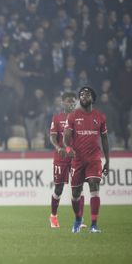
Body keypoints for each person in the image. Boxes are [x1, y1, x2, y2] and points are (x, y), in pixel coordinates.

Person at [62, 86, 109, 233]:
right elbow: (65, 139)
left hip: (94, 159)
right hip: (78, 160)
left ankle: (94, 225)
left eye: (87, 94)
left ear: (92, 98)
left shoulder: (100, 117)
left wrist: (108, 160)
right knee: (76, 194)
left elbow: (105, 139)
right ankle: (77, 219)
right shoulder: (73, 116)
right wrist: (68, 148)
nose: (83, 96)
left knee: (94, 188)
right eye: (81, 94)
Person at [48, 91, 85, 228]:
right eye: (69, 101)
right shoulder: (57, 118)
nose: (72, 103)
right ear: (63, 102)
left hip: (76, 158)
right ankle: (53, 216)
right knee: (59, 189)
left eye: (74, 101)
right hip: (61, 158)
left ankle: (79, 219)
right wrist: (58, 148)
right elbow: (52, 136)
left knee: (78, 189)